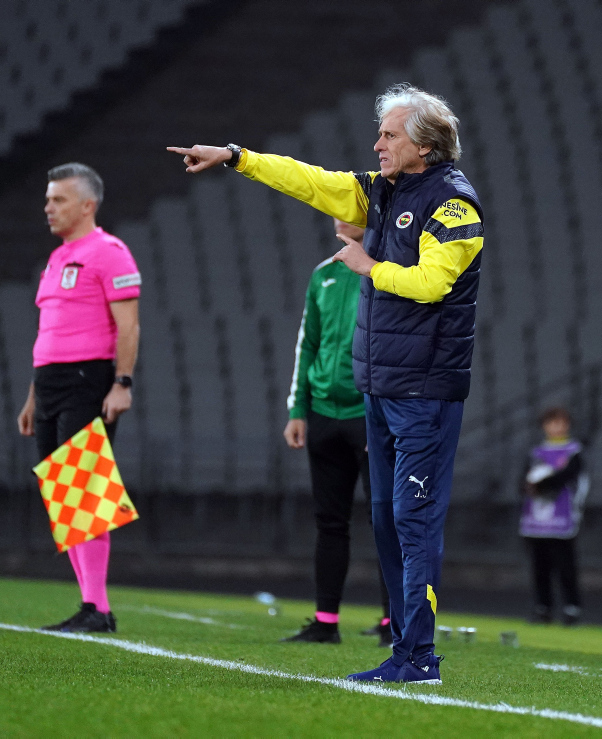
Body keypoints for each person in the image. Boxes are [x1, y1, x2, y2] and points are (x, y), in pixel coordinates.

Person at [168, 83, 484, 684]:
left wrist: (369, 266)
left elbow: (432, 283)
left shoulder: (455, 206)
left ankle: (420, 656)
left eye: (389, 135)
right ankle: (406, 652)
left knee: (414, 522)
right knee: (388, 522)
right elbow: (309, 180)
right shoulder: (383, 191)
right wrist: (236, 157)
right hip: (381, 386)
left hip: (425, 392)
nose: (378, 144)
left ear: (424, 145)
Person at [17, 162, 141, 633]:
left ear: (87, 205)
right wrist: (32, 396)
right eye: (48, 199)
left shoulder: (110, 253)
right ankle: (92, 605)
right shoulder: (56, 259)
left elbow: (128, 324)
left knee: (83, 489)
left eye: (59, 199)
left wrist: (121, 383)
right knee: (61, 493)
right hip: (49, 383)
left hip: (89, 378)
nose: (48, 207)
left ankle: (97, 607)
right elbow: (49, 331)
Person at [282, 218, 391, 647]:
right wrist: (298, 408)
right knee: (329, 522)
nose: (338, 214)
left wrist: (381, 412)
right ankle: (325, 622)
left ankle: (392, 623)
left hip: (368, 415)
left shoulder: (387, 268)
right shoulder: (323, 273)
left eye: (349, 206)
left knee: (385, 520)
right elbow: (307, 343)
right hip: (324, 414)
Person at [519, 407, 589, 626]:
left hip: (562, 517)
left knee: (565, 564)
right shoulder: (536, 452)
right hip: (537, 519)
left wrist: (542, 484)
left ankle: (571, 607)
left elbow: (570, 477)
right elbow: (522, 481)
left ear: (567, 424)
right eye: (551, 422)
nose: (556, 427)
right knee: (540, 565)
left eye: (560, 422)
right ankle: (543, 607)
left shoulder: (573, 451)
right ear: (544, 426)